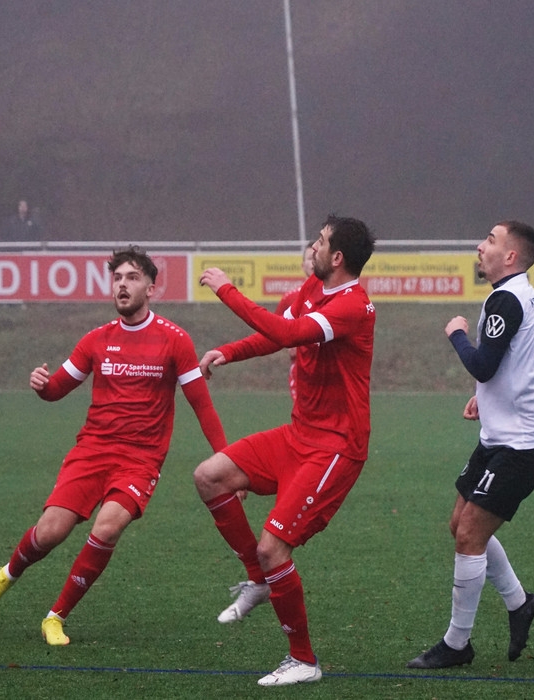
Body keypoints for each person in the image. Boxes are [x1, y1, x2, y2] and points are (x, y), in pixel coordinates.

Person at [0, 246, 227, 646]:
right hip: (92, 452)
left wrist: (227, 460)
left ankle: (55, 617)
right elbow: (57, 389)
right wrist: (42, 385)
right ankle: (9, 573)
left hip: (140, 460)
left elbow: (202, 406)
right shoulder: (96, 340)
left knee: (107, 527)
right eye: (117, 278)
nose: (122, 285)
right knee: (49, 532)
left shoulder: (175, 340)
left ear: (151, 288)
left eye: (132, 278)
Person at [194, 214, 376, 686]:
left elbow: (289, 335)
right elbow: (278, 331)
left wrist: (226, 289)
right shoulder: (313, 289)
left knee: (274, 548)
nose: (312, 247)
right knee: (209, 476)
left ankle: (303, 661)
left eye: (320, 241)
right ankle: (257, 579)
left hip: (335, 448)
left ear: (338, 257)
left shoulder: (352, 307)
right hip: (298, 435)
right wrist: (229, 352)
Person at [406, 220, 534, 670]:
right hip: (504, 434)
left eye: (490, 240)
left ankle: (457, 644)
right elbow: (525, 361)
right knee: (460, 524)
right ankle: (520, 604)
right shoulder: (519, 295)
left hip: (524, 443)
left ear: (510, 256)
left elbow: (484, 365)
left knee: (470, 535)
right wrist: (488, 398)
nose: (480, 246)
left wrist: (456, 333)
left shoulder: (506, 299)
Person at [274, 242, 315, 401]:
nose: (314, 262)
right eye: (310, 258)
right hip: (301, 372)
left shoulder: (338, 296)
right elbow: (274, 331)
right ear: (303, 266)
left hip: (332, 371)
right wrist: (289, 343)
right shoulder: (290, 298)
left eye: (317, 257)